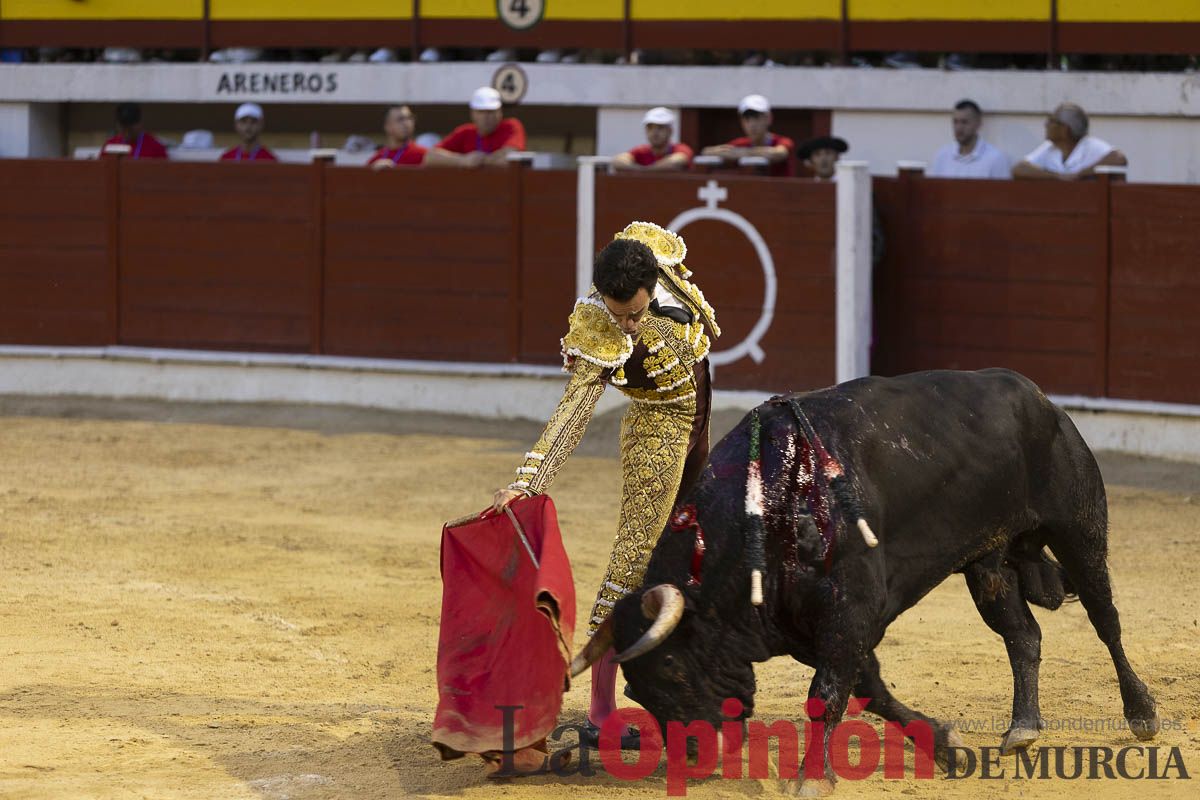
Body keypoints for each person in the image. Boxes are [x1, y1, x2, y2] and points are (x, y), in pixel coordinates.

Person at [490, 222, 720, 748]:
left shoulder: (653, 255)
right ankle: (599, 708)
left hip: (701, 418)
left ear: (653, 282)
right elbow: (573, 412)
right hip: (656, 430)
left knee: (695, 548)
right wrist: (527, 482)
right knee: (634, 558)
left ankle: (681, 679)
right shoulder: (599, 325)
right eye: (620, 316)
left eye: (636, 314)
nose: (630, 326)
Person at [1013, 103, 1127, 180]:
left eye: (1052, 121)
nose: (1046, 125)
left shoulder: (1088, 145)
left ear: (1065, 129)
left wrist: (1079, 174)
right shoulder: (1050, 147)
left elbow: (1119, 158)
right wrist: (1058, 177)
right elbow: (1019, 169)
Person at [425, 87, 526, 168]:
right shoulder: (465, 132)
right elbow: (429, 157)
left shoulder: (511, 126)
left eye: (491, 112)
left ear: (500, 112)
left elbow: (510, 157)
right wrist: (462, 161)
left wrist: (481, 161)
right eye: (481, 112)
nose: (486, 117)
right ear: (473, 113)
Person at [701, 94, 795, 177]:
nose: (752, 124)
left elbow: (779, 153)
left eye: (757, 118)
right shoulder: (740, 143)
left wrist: (744, 153)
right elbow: (707, 151)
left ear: (769, 118)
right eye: (747, 119)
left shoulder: (782, 141)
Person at [928, 99, 1010, 179]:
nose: (959, 128)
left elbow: (1002, 192)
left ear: (978, 123)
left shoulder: (995, 158)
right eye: (955, 122)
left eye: (964, 122)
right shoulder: (942, 156)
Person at [612, 107, 693, 172]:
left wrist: (644, 171)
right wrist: (642, 170)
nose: (654, 132)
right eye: (650, 128)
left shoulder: (680, 148)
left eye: (660, 128)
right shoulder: (641, 150)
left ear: (670, 131)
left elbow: (676, 161)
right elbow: (618, 161)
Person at [366, 105, 427, 169]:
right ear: (387, 126)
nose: (406, 123)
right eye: (400, 119)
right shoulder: (376, 160)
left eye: (409, 118)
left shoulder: (423, 155)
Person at [103, 102, 168, 159]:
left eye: (130, 125)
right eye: (123, 125)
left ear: (140, 123)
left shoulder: (156, 148)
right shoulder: (110, 146)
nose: (127, 129)